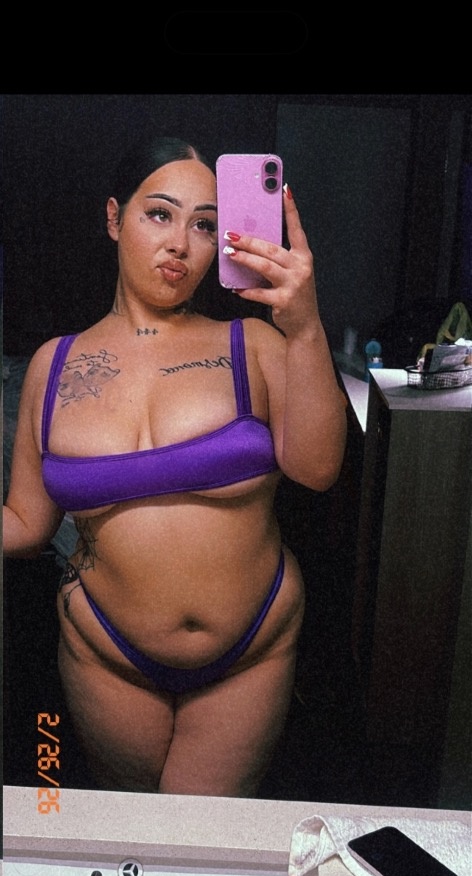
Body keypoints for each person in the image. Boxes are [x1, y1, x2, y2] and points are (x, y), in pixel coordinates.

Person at [3, 136, 347, 796]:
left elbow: (317, 468)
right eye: (159, 214)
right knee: (131, 839)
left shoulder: (253, 344)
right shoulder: (54, 365)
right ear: (114, 218)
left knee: (198, 838)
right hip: (104, 653)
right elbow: (25, 521)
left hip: (249, 651)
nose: (180, 245)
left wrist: (305, 327)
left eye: (205, 226)